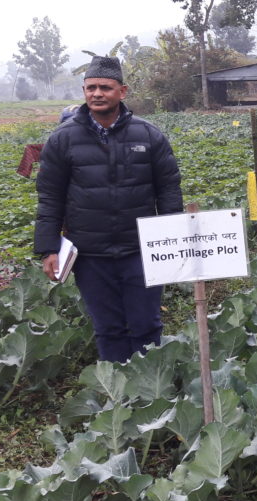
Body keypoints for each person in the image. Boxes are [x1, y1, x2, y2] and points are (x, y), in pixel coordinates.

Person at [33, 56, 183, 363]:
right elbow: (50, 197)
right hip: (90, 254)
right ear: (84, 91)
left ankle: (151, 386)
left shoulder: (149, 135)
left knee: (146, 324)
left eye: (105, 87)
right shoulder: (62, 139)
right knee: (108, 328)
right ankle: (117, 392)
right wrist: (48, 248)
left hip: (140, 250)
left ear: (122, 92)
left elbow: (169, 189)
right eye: (91, 88)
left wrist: (173, 240)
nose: (97, 93)